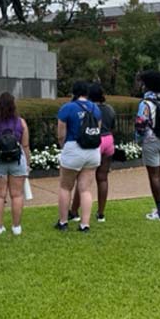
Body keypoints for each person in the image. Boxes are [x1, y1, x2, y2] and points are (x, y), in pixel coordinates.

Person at [55, 81, 102, 233]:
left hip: (73, 147)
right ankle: (85, 224)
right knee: (85, 189)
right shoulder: (95, 108)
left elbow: (61, 133)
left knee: (65, 187)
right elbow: (98, 129)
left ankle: (63, 222)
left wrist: (64, 146)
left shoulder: (67, 107)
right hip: (92, 150)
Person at [0, 92, 30, 236]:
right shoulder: (20, 122)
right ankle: (16, 227)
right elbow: (26, 145)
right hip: (17, 159)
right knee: (16, 195)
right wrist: (27, 163)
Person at [69, 83, 115, 223]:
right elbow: (113, 126)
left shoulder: (90, 108)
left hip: (93, 141)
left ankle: (74, 210)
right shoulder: (110, 109)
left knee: (83, 179)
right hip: (108, 140)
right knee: (102, 178)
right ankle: (101, 213)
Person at [135, 70, 160, 221]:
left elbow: (141, 124)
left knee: (153, 176)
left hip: (150, 141)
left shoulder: (146, 103)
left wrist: (138, 140)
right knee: (159, 175)